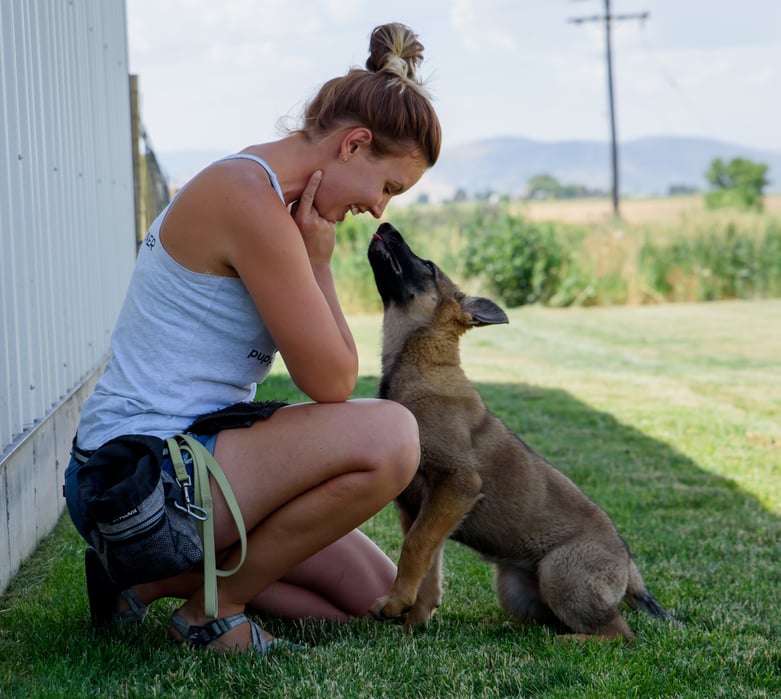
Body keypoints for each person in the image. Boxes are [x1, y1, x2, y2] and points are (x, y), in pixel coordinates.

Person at [63, 22, 441, 655]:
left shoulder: (270, 196)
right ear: (354, 144)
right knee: (393, 436)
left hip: (199, 466)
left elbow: (333, 375)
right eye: (387, 187)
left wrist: (315, 252)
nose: (379, 209)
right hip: (137, 480)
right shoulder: (247, 197)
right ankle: (213, 612)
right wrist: (319, 262)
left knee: (379, 600)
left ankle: (145, 583)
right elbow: (333, 383)